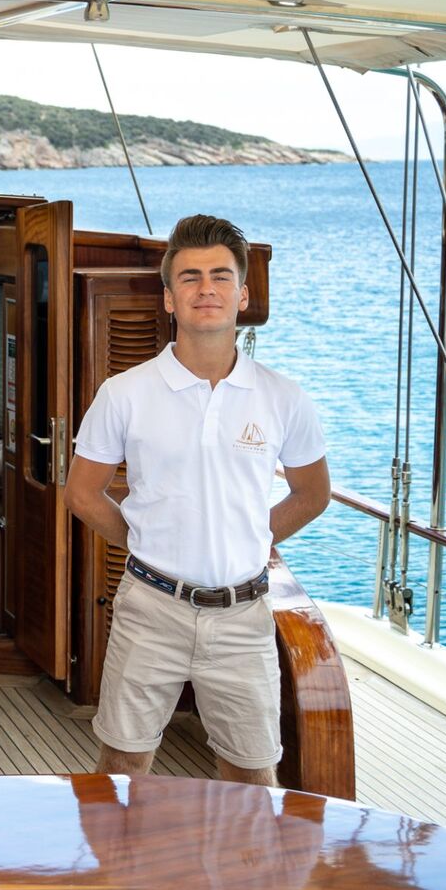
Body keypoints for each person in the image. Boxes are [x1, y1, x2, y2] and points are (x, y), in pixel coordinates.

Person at [65, 213, 330, 786]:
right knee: (121, 770)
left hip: (244, 616)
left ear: (243, 294)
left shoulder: (284, 398)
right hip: (150, 608)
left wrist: (248, 538)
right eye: (188, 277)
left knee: (253, 777)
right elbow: (82, 494)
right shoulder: (125, 394)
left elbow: (312, 494)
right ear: (167, 297)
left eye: (218, 275)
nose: (205, 288)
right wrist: (144, 541)